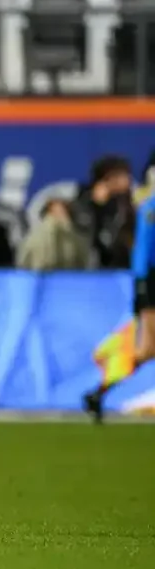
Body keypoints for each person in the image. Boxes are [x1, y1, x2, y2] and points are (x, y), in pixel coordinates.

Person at [83, 175, 155, 423]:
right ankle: (99, 391)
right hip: (152, 283)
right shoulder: (151, 207)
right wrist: (142, 286)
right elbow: (143, 249)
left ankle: (99, 392)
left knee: (147, 351)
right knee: (146, 349)